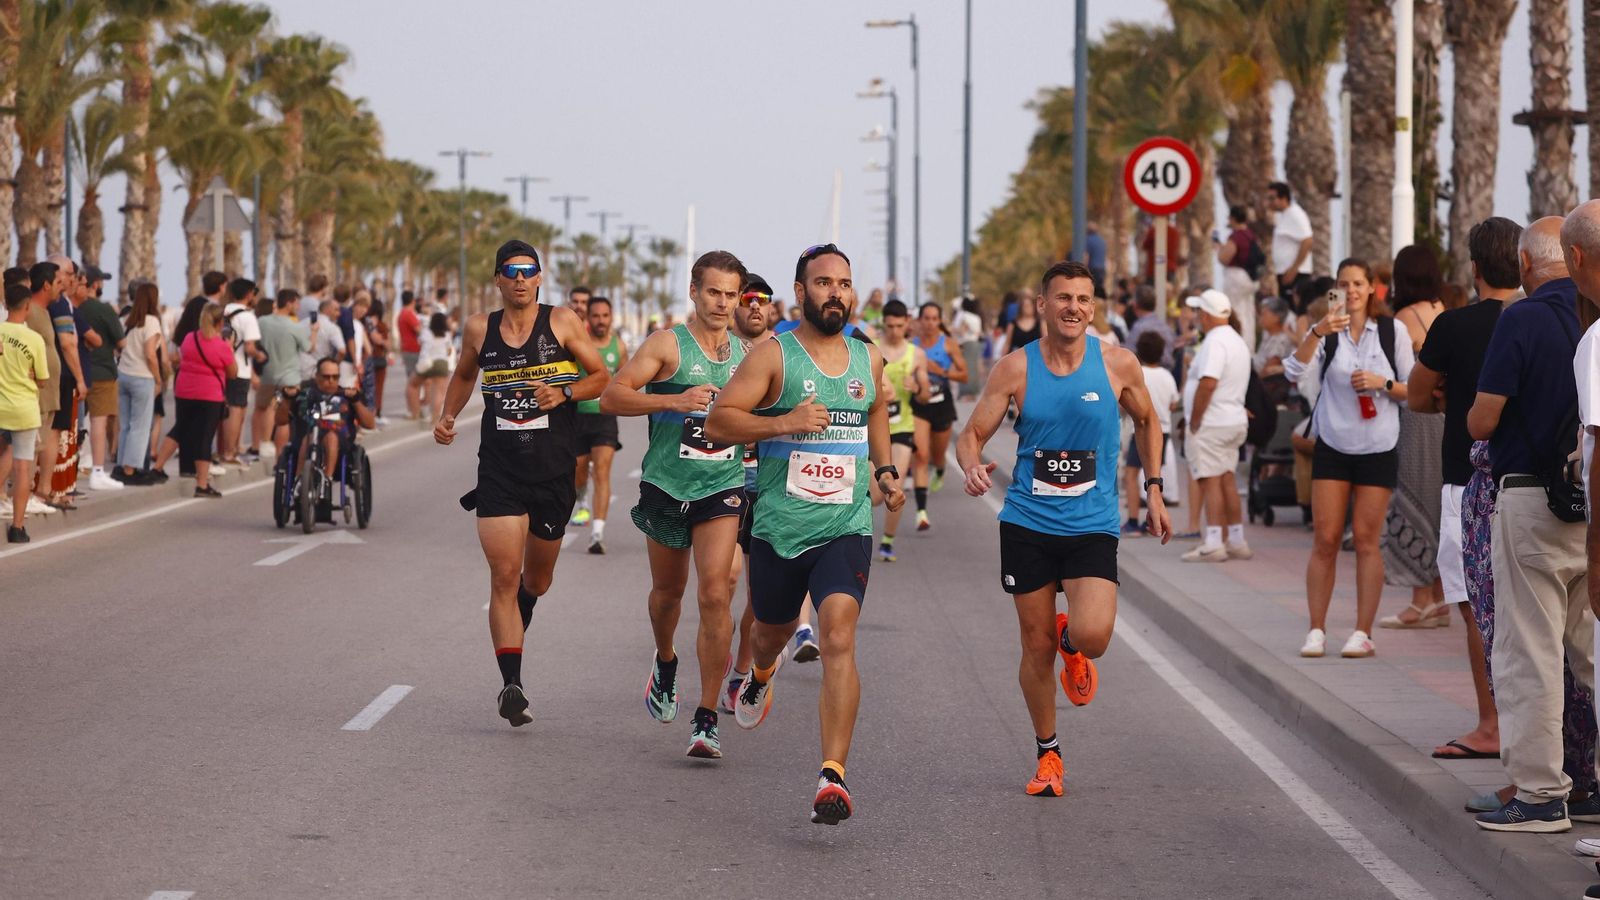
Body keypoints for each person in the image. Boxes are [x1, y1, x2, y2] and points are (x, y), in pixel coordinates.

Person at [705, 242, 906, 824]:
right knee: (767, 634)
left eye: (844, 283)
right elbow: (719, 422)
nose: (835, 293)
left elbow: (874, 416)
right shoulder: (774, 356)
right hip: (778, 527)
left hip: (846, 523)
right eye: (823, 283)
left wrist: (887, 474)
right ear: (801, 292)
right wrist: (785, 421)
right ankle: (760, 673)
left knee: (839, 633)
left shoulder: (867, 359)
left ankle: (832, 776)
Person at [955, 259, 1171, 798]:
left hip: (1092, 524)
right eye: (1063, 298)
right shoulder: (1015, 368)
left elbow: (1148, 421)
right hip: (1028, 521)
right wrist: (972, 465)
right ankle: (1048, 753)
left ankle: (1072, 641)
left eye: (1083, 299)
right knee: (1034, 647)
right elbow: (972, 434)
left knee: (1094, 636)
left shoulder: (1118, 364)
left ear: (1092, 308)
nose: (1074, 307)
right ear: (1043, 305)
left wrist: (1155, 488)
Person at [432, 240, 609, 729]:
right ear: (497, 279)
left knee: (536, 581)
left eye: (529, 271)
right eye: (511, 271)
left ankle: (523, 609)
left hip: (553, 471)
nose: (520, 279)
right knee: (503, 578)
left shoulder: (563, 324)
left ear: (539, 278)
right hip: (500, 470)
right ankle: (512, 684)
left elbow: (602, 376)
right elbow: (465, 374)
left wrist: (565, 390)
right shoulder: (478, 329)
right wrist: (448, 414)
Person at [1468, 215, 1593, 832]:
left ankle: (1542, 795)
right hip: (1591, 504)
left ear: (1525, 264)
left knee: (1531, 651)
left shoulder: (1521, 319)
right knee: (1594, 653)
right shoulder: (1590, 323)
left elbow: (1483, 421)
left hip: (1532, 503)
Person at [600, 250, 751, 760]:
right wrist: (673, 400)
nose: (723, 303)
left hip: (722, 488)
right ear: (693, 291)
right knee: (669, 593)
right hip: (666, 486)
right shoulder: (668, 345)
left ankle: (706, 718)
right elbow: (612, 397)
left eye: (731, 294)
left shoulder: (749, 357)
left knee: (715, 593)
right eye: (714, 292)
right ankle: (666, 660)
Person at [1407, 217, 1522, 760]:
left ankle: (1491, 724)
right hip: (1536, 478)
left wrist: (1447, 400)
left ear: (1473, 268)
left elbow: (1415, 394)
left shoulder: (1453, 327)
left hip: (1468, 477)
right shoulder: (1549, 318)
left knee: (1477, 607)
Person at [1282, 258, 1413, 659]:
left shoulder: (1392, 331)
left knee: (1368, 541)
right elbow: (1293, 372)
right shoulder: (1328, 332)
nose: (1352, 290)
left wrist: (1382, 383)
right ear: (1334, 290)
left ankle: (1362, 631)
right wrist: (1318, 330)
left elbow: (1415, 388)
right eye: (1344, 284)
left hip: (1378, 447)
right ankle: (1316, 629)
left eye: (1358, 283)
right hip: (1334, 446)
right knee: (1325, 539)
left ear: (1373, 288)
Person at [1377, 245, 1447, 626]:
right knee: (1437, 504)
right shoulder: (1443, 310)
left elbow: (1403, 379)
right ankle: (1437, 598)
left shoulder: (1403, 319)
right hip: (1444, 417)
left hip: (1418, 418)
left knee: (1414, 499)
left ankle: (1420, 600)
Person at [723, 273, 780, 713]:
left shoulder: (785, 353)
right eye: (748, 300)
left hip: (770, 483)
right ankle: (715, 648)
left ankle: (740, 675)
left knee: (760, 596)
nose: (755, 306)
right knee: (722, 581)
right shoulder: (717, 348)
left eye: (763, 300)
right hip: (722, 478)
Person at [1179, 289, 1253, 563]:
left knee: (1210, 480)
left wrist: (1195, 419)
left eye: (1199, 312)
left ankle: (1213, 541)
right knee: (1226, 479)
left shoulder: (1214, 342)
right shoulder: (1236, 340)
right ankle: (1235, 539)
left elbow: (1208, 382)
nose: (1197, 317)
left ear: (1207, 315)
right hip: (1231, 420)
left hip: (1212, 422)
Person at [159, 302, 235, 497]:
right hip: (209, 395)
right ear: (219, 323)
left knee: (180, 428)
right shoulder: (221, 346)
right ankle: (202, 484)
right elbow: (232, 373)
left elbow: (184, 357)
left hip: (184, 390)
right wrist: (230, 349)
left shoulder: (189, 338)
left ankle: (158, 466)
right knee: (204, 437)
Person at [570, 295, 628, 552]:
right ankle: (581, 501)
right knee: (579, 471)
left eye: (605, 316)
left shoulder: (619, 346)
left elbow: (626, 380)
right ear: (588, 318)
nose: (601, 321)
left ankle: (597, 533)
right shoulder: (578, 345)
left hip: (605, 418)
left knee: (602, 472)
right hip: (577, 416)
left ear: (611, 317)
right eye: (596, 316)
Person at [875, 300, 930, 562]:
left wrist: (917, 388)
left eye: (899, 325)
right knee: (874, 495)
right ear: (884, 323)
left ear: (906, 323)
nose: (895, 331)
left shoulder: (916, 354)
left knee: (894, 483)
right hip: (876, 426)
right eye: (890, 326)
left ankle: (887, 541)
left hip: (903, 427)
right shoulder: (872, 349)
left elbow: (927, 394)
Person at [910, 301, 967, 528]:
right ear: (920, 321)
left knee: (937, 455)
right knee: (921, 455)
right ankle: (921, 511)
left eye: (935, 319)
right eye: (927, 318)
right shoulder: (911, 346)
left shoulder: (948, 345)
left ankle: (941, 470)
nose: (931, 323)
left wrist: (940, 371)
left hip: (942, 404)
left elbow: (964, 375)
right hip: (919, 404)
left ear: (939, 321)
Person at [0, 282, 48, 542]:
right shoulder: (34, 339)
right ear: (27, 306)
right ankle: (18, 527)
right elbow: (42, 379)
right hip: (23, 410)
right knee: (22, 469)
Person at [73, 266, 125, 491]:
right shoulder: (103, 310)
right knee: (99, 421)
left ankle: (74, 467)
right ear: (95, 284)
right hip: (102, 372)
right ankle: (97, 470)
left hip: (78, 372)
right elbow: (121, 342)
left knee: (75, 423)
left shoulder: (73, 308)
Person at [1122, 331, 1178, 536]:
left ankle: (1133, 520)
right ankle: (1154, 517)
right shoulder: (1167, 376)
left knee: (1131, 475)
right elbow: (1173, 403)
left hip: (1142, 430)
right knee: (1155, 477)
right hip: (1164, 431)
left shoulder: (1138, 374)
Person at [111, 282, 163, 485]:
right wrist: (158, 379)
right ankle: (131, 469)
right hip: (142, 377)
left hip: (123, 375)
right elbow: (150, 354)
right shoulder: (151, 322)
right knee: (140, 426)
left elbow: (118, 348)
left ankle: (121, 465)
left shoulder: (126, 320)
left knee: (126, 425)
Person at [257, 289, 310, 457]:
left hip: (267, 374)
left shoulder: (262, 322)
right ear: (289, 303)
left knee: (266, 409)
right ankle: (281, 453)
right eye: (296, 303)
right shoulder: (294, 326)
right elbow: (308, 348)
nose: (298, 307)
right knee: (283, 417)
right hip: (289, 377)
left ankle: (264, 445)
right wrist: (314, 332)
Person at [219, 278, 264, 465]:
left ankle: (226, 450)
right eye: (254, 293)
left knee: (227, 409)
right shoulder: (248, 317)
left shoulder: (224, 311)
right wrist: (260, 356)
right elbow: (250, 347)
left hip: (223, 366)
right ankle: (231, 452)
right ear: (248, 294)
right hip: (240, 369)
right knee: (237, 410)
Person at [1217, 204, 1264, 349]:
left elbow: (1225, 258)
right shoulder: (1251, 236)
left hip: (1236, 278)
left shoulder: (1236, 237)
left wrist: (1218, 249)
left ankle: (1236, 345)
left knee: (1235, 312)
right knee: (1248, 314)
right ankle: (1249, 347)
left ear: (1233, 218)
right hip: (1250, 279)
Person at [1267, 181, 1314, 303]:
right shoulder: (1284, 216)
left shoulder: (1295, 214)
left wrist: (1294, 269)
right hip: (1284, 272)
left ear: (1283, 198)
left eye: (1272, 198)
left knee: (1296, 310)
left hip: (1296, 274)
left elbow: (1307, 241)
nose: (1269, 202)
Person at [416, 312, 452, 425]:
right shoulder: (446, 333)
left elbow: (420, 343)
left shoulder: (426, 332)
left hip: (428, 363)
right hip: (441, 363)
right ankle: (435, 419)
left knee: (429, 389)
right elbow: (449, 350)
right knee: (439, 393)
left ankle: (425, 413)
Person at [951, 295, 984, 399]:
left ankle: (965, 393)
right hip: (975, 343)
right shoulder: (977, 317)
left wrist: (953, 330)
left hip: (965, 343)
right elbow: (979, 332)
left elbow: (961, 330)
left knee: (965, 368)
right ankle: (973, 393)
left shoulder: (964, 315)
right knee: (973, 369)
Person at [397, 290, 424, 419]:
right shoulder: (409, 314)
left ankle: (415, 408)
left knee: (412, 381)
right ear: (412, 301)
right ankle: (415, 410)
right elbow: (419, 330)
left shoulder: (401, 314)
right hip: (413, 350)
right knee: (415, 382)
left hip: (407, 350)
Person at [1084, 221, 1108, 296]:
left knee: (1091, 291)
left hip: (1093, 269)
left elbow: (1086, 256)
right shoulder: (1102, 241)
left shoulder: (1088, 240)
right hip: (1101, 270)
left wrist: (1083, 269)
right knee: (1099, 291)